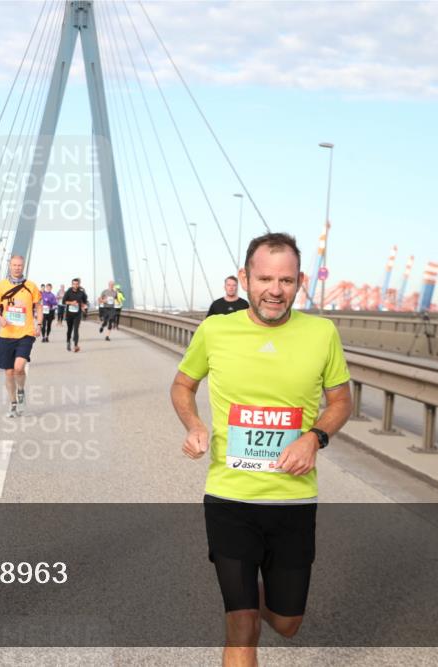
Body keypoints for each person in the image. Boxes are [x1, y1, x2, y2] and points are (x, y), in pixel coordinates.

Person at [169, 232, 352, 667]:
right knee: (242, 625)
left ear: (300, 281)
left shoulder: (322, 333)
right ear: (245, 279)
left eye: (286, 280)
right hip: (230, 498)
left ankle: (254, 597)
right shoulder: (215, 330)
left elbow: (342, 401)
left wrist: (315, 437)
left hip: (292, 500)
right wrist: (195, 425)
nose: (275, 289)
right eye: (265, 278)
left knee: (287, 623)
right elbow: (182, 385)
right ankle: (243, 604)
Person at [0, 255, 41, 418]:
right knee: (8, 372)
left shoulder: (31, 286)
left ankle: (21, 391)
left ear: (23, 266)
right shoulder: (1, 286)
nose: (17, 268)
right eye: (14, 265)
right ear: (10, 266)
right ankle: (13, 403)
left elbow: (39, 307)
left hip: (25, 333)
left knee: (19, 367)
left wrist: (39, 324)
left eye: (20, 265)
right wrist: (0, 319)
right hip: (6, 334)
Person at [62, 278, 88, 352]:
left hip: (77, 314)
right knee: (69, 329)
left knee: (76, 329)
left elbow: (84, 301)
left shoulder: (81, 292)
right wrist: (71, 303)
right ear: (72, 284)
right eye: (74, 284)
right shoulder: (68, 291)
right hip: (69, 314)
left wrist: (83, 306)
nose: (75, 285)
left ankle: (76, 345)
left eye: (77, 284)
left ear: (79, 284)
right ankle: (68, 342)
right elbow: (64, 302)